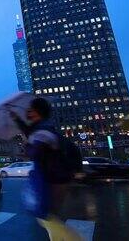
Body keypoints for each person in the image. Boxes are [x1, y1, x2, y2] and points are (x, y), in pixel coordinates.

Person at [23, 97, 82, 241]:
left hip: (50, 179)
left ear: (38, 112)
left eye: (30, 110)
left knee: (44, 216)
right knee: (49, 216)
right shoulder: (45, 128)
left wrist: (27, 147)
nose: (28, 114)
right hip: (56, 178)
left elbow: (35, 153)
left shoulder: (42, 131)